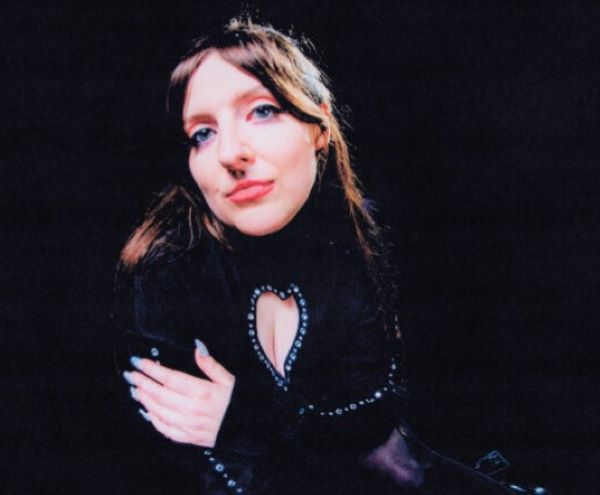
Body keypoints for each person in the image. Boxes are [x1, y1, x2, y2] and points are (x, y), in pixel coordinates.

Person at [114, 18, 544, 495]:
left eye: (262, 111)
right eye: (202, 134)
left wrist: (248, 420)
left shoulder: (369, 241)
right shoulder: (165, 270)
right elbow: (197, 473)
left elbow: (385, 440)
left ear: (318, 127)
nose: (230, 154)